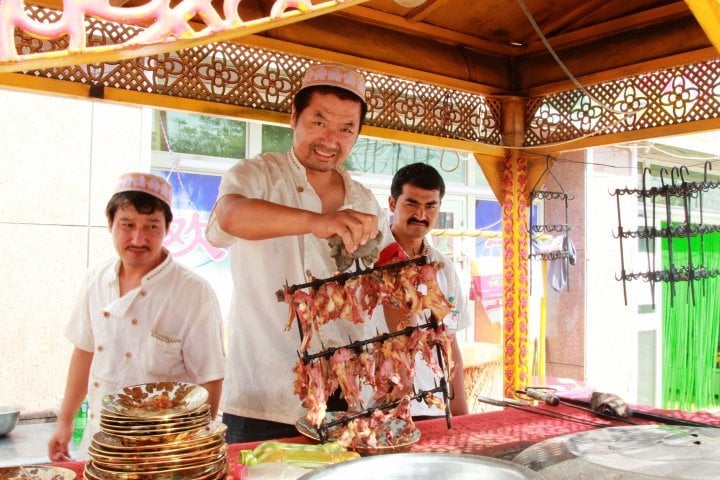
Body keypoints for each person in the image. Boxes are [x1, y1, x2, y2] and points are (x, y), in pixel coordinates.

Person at [205, 63, 390, 443]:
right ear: (294, 116)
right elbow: (229, 216)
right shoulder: (257, 174)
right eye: (318, 122)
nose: (330, 140)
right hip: (265, 394)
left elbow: (379, 282)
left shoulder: (366, 201)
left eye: (345, 129)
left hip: (345, 395)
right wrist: (315, 221)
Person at [48, 172, 226, 461]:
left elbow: (211, 378)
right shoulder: (96, 279)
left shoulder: (194, 292)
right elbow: (84, 351)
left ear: (167, 228)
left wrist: (195, 447)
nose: (138, 238)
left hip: (164, 451)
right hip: (100, 443)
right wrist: (64, 421)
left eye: (151, 226)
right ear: (110, 224)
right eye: (127, 225)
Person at [376, 162, 470, 418]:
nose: (421, 214)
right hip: (374, 407)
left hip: (432, 407)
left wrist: (461, 410)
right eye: (411, 204)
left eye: (430, 206)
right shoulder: (367, 260)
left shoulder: (444, 267)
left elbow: (450, 342)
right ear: (393, 204)